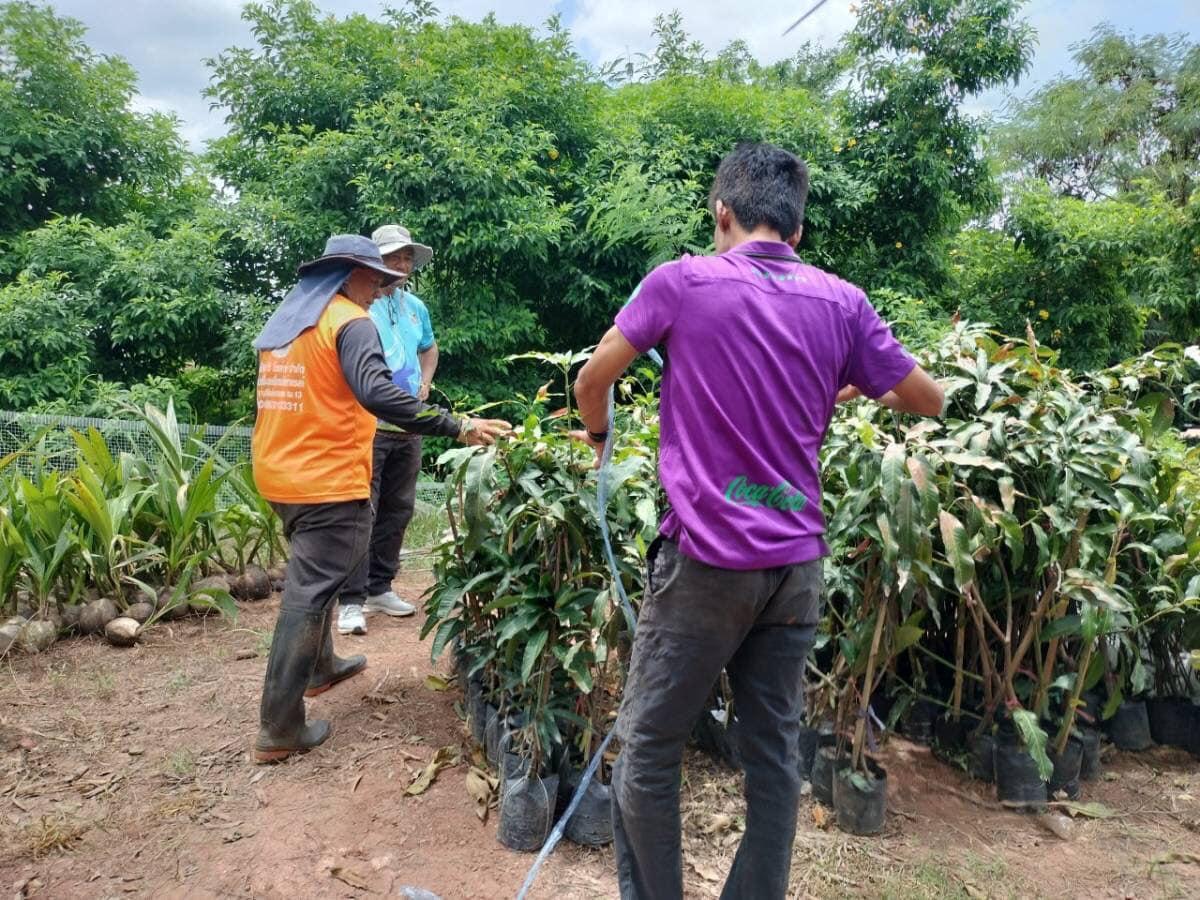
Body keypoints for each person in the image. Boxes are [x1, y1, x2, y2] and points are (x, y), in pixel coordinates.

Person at [571, 143, 944, 899]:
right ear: (797, 231)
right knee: (773, 755)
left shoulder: (681, 283)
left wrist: (600, 435)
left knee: (648, 745)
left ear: (721, 212)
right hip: (794, 571)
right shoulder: (842, 303)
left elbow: (593, 378)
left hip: (705, 566)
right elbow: (926, 398)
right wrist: (841, 386)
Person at [250, 234, 509, 764]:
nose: (382, 288)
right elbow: (376, 391)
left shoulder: (294, 320)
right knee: (309, 591)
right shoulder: (350, 321)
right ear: (347, 274)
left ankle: (320, 668)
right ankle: (279, 726)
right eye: (376, 278)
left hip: (281, 470)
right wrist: (456, 425)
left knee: (316, 580)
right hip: (326, 477)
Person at [338, 224, 438, 635]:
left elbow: (428, 347)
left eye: (406, 258)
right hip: (366, 424)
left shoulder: (416, 307)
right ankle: (350, 601)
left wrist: (426, 382)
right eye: (393, 256)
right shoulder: (359, 302)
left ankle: (380, 587)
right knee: (363, 509)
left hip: (408, 423)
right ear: (373, 261)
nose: (401, 264)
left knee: (398, 509)